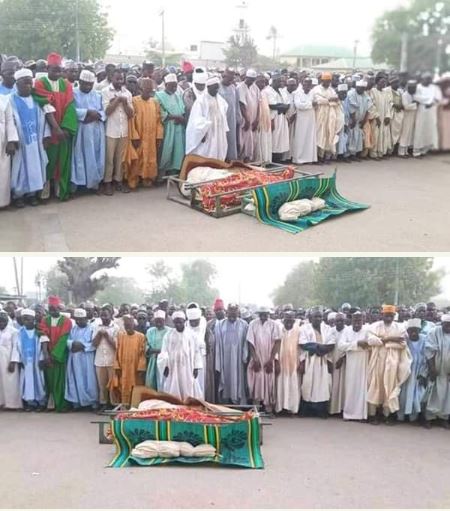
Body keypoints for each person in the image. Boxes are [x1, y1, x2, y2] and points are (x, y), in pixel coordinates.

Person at [34, 52, 78, 201]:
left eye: (60, 70)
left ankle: (60, 190)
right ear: (47, 68)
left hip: (63, 130)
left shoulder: (66, 84)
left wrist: (65, 127)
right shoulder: (40, 83)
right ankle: (44, 190)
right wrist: (55, 128)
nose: (58, 73)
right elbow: (45, 105)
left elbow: (70, 106)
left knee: (62, 160)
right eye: (54, 70)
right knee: (48, 160)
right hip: (48, 128)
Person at [367, 305, 412, 424]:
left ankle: (387, 415)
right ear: (382, 315)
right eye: (386, 316)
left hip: (393, 362)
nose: (388, 318)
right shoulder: (374, 326)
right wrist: (391, 339)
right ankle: (373, 415)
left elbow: (403, 344)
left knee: (390, 386)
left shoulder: (400, 327)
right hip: (378, 361)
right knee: (376, 386)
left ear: (394, 316)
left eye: (391, 316)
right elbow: (371, 341)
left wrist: (384, 341)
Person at [125, 78, 163, 189]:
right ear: (140, 90)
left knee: (150, 158)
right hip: (139, 136)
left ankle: (147, 178)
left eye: (151, 91)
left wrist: (158, 136)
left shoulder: (154, 102)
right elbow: (131, 121)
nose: (149, 93)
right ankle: (133, 180)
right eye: (147, 90)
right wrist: (134, 136)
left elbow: (158, 120)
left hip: (151, 137)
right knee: (137, 158)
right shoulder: (134, 101)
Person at [72, 70, 106, 192]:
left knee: (95, 156)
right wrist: (87, 112)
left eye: (90, 84)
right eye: (85, 84)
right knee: (79, 156)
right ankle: (78, 185)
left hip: (95, 130)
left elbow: (104, 111)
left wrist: (94, 115)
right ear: (80, 82)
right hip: (81, 130)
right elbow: (71, 110)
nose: (88, 87)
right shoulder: (73, 93)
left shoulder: (97, 95)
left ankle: (93, 184)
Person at [157, 310, 203, 400]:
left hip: (188, 366)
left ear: (184, 321)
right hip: (173, 366)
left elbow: (196, 351)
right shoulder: (168, 335)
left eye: (180, 322)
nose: (178, 324)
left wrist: (196, 367)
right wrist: (165, 366)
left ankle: (188, 403)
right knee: (173, 386)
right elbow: (164, 351)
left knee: (188, 385)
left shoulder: (191, 335)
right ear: (173, 322)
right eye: (176, 322)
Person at [102, 69, 134, 195]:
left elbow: (131, 114)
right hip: (110, 130)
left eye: (122, 79)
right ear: (111, 78)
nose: (120, 81)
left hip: (123, 130)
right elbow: (107, 111)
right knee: (109, 158)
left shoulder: (128, 93)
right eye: (117, 79)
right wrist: (117, 100)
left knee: (120, 158)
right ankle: (107, 182)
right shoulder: (105, 91)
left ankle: (118, 180)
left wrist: (124, 102)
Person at [38, 296, 73, 412]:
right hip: (48, 354)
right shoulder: (45, 320)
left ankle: (61, 404)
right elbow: (43, 336)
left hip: (60, 355)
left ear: (59, 308)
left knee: (61, 380)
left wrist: (54, 355)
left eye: (54, 308)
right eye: (50, 309)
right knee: (49, 380)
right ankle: (51, 404)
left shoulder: (66, 321)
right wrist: (46, 354)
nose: (52, 311)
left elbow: (64, 339)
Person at [299, 307, 333, 418]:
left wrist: (321, 350)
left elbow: (331, 344)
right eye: (316, 317)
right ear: (310, 318)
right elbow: (303, 344)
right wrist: (318, 348)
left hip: (323, 360)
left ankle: (321, 411)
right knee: (308, 385)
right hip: (310, 361)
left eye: (320, 317)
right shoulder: (304, 328)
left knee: (322, 386)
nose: (318, 319)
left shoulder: (327, 329)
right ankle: (306, 411)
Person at [247, 306, 281, 413]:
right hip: (257, 356)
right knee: (256, 381)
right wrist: (255, 358)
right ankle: (256, 409)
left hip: (269, 357)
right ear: (258, 314)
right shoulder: (253, 324)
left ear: (268, 314)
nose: (263, 316)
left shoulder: (274, 325)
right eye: (261, 314)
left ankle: (268, 409)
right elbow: (250, 342)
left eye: (265, 314)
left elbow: (277, 342)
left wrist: (271, 359)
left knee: (269, 381)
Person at [186, 76, 229, 160]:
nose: (216, 90)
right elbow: (196, 118)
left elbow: (223, 115)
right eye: (214, 88)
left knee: (219, 151)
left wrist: (224, 130)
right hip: (207, 132)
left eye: (217, 88)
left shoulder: (220, 99)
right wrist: (201, 133)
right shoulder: (201, 101)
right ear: (208, 87)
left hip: (218, 131)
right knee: (207, 152)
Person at [214, 303, 248, 405]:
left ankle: (238, 401)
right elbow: (217, 344)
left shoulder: (244, 325)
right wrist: (218, 361)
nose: (232, 314)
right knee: (225, 379)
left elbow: (246, 343)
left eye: (235, 312)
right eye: (230, 311)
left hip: (238, 359)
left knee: (239, 380)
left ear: (238, 312)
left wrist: (245, 356)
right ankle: (226, 401)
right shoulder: (220, 324)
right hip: (224, 358)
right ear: (227, 312)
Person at [65, 308, 98, 409]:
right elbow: (67, 340)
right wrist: (73, 344)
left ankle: (91, 402)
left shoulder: (92, 328)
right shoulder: (73, 329)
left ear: (86, 319)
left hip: (87, 357)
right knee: (76, 379)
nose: (79, 321)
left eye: (81, 319)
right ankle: (77, 402)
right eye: (77, 319)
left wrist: (83, 346)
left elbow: (94, 343)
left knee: (89, 379)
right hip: (74, 357)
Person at [340, 311, 370, 421]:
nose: (357, 322)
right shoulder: (347, 330)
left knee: (362, 387)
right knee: (350, 387)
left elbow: (370, 343)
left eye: (359, 320)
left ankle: (361, 415)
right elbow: (341, 346)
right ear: (351, 320)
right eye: (355, 320)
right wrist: (357, 343)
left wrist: (362, 344)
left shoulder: (367, 330)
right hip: (351, 362)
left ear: (363, 320)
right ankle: (348, 414)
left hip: (363, 361)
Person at [110, 315, 147, 406]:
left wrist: (141, 368)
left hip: (135, 369)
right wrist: (117, 366)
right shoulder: (121, 336)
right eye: (126, 325)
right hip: (123, 368)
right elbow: (117, 351)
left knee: (136, 386)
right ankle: (124, 406)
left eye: (129, 325)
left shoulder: (141, 336)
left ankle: (135, 406)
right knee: (123, 386)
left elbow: (142, 353)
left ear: (134, 324)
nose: (128, 327)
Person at [155, 73, 186, 177]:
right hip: (167, 127)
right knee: (166, 151)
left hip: (178, 127)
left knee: (178, 151)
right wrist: (175, 117)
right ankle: (161, 175)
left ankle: (173, 174)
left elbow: (182, 109)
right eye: (172, 86)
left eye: (175, 86)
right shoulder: (159, 95)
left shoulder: (177, 96)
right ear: (166, 85)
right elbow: (160, 112)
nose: (174, 88)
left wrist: (181, 118)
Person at [398, 318, 427, 423]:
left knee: (418, 396)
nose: (414, 333)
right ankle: (401, 416)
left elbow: (427, 358)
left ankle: (414, 417)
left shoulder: (424, 339)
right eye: (411, 331)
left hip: (418, 373)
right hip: (406, 372)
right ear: (408, 331)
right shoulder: (405, 340)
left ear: (420, 330)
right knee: (403, 396)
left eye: (416, 330)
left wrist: (423, 374)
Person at [16, 309, 46, 411]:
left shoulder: (39, 332)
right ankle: (30, 403)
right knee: (27, 382)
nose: (26, 321)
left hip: (37, 361)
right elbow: (17, 347)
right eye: (24, 319)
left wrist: (42, 359)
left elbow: (43, 347)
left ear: (33, 319)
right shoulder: (20, 332)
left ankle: (41, 402)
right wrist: (19, 361)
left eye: (28, 319)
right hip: (26, 362)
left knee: (39, 381)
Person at [424, 314, 450, 428]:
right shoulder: (434, 332)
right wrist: (432, 368)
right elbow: (429, 350)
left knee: (447, 395)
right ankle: (429, 418)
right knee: (432, 393)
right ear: (442, 323)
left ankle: (443, 418)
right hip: (436, 370)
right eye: (446, 325)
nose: (448, 327)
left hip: (448, 372)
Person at [92, 305, 119, 410]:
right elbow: (94, 344)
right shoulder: (96, 327)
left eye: (106, 315)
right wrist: (99, 335)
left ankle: (113, 403)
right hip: (99, 360)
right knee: (101, 384)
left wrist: (107, 336)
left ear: (111, 315)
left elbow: (117, 346)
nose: (104, 318)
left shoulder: (115, 327)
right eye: (102, 316)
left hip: (112, 360)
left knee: (113, 384)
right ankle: (103, 403)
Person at [276, 311, 301, 415]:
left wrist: (302, 361)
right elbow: (275, 346)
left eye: (291, 320)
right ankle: (280, 408)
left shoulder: (298, 330)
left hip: (294, 363)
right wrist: (276, 361)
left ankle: (292, 409)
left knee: (293, 385)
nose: (289, 322)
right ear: (283, 320)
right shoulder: (279, 330)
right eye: (287, 320)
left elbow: (301, 348)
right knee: (280, 385)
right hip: (281, 363)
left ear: (294, 320)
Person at [313, 72, 340, 162]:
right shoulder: (316, 89)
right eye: (326, 81)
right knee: (319, 134)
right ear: (322, 80)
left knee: (329, 134)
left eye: (329, 81)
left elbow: (336, 100)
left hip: (330, 115)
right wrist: (329, 100)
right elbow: (317, 100)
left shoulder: (331, 90)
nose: (328, 83)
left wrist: (328, 101)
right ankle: (317, 156)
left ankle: (325, 155)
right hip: (319, 115)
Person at [0, 84, 19, 208]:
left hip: (2, 141)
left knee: (3, 172)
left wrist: (11, 141)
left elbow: (10, 120)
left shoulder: (4, 100)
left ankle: (2, 201)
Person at [413, 72, 441, 157]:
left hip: (431, 111)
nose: (429, 81)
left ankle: (425, 149)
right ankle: (416, 151)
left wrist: (431, 103)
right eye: (427, 79)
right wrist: (428, 100)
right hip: (421, 111)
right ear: (423, 79)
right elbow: (416, 97)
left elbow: (438, 98)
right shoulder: (418, 87)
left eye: (430, 79)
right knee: (420, 129)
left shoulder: (434, 87)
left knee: (429, 129)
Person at [292, 77, 317, 164]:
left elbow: (316, 103)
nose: (308, 85)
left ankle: (309, 159)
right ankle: (298, 159)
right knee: (300, 138)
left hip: (311, 118)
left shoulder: (313, 93)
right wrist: (310, 104)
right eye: (306, 83)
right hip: (301, 119)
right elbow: (299, 105)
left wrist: (309, 105)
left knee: (310, 138)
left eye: (310, 83)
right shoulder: (297, 93)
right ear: (302, 83)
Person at [265, 74, 290, 163]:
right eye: (279, 81)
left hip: (282, 117)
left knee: (281, 139)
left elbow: (288, 104)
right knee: (274, 139)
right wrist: (282, 106)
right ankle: (273, 159)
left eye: (282, 81)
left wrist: (281, 106)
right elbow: (272, 105)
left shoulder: (282, 91)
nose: (281, 83)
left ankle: (279, 159)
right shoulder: (268, 91)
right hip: (274, 118)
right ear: (274, 81)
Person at [237, 69, 260, 162]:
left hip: (253, 119)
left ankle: (250, 159)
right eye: (250, 79)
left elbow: (258, 103)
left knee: (253, 140)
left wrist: (257, 119)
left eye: (253, 80)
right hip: (244, 119)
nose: (251, 81)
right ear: (246, 77)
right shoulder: (240, 87)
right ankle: (242, 160)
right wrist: (247, 120)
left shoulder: (255, 88)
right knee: (243, 140)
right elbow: (241, 104)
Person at [0, 310, 21, 409]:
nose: (1, 323)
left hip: (8, 359)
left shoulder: (14, 331)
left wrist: (13, 361)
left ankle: (12, 404)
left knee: (11, 381)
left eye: (3, 321)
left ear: (7, 321)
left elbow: (16, 347)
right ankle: (1, 402)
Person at [145, 309, 170, 390]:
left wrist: (160, 352)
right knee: (151, 382)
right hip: (153, 360)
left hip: (166, 361)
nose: (158, 323)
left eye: (160, 320)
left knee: (164, 382)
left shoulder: (170, 331)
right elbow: (146, 346)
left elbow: (171, 348)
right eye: (156, 321)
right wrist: (153, 351)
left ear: (164, 320)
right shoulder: (150, 331)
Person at [219, 68, 241, 160]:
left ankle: (230, 160)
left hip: (231, 120)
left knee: (231, 141)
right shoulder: (217, 87)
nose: (231, 82)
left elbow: (236, 104)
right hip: (220, 121)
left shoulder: (233, 88)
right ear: (224, 76)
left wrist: (238, 118)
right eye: (229, 79)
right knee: (220, 141)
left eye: (232, 79)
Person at [328, 312, 346, 415]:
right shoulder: (331, 331)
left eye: (341, 321)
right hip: (333, 361)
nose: (339, 323)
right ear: (334, 321)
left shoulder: (348, 330)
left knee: (344, 385)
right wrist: (329, 361)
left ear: (344, 321)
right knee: (333, 385)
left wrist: (342, 358)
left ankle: (342, 409)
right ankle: (332, 409)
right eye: (337, 321)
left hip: (345, 362)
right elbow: (327, 346)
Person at [347, 80, 370, 160]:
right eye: (360, 88)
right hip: (352, 120)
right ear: (356, 87)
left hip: (360, 121)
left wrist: (364, 120)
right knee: (351, 137)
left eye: (363, 88)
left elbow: (368, 108)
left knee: (358, 137)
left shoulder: (365, 94)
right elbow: (352, 107)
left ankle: (355, 154)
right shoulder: (351, 93)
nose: (362, 90)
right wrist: (353, 120)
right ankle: (348, 155)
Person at [254, 74, 272, 163]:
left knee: (265, 140)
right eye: (260, 82)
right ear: (255, 82)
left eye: (264, 82)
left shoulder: (265, 93)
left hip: (265, 121)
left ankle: (266, 160)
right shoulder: (254, 92)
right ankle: (259, 161)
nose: (262, 84)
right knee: (258, 142)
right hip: (257, 121)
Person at [399, 80, 418, 157]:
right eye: (412, 88)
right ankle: (401, 152)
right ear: (409, 88)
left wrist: (414, 103)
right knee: (405, 134)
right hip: (406, 117)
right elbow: (406, 106)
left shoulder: (413, 95)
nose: (414, 89)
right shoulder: (405, 95)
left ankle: (406, 151)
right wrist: (415, 104)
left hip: (413, 116)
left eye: (415, 88)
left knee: (410, 134)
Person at [385, 76, 404, 153]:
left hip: (399, 114)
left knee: (398, 132)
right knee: (390, 132)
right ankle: (389, 150)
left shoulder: (400, 91)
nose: (397, 84)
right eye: (395, 83)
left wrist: (402, 105)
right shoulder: (386, 90)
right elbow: (386, 101)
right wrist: (394, 105)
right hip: (391, 113)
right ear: (391, 83)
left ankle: (395, 149)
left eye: (397, 82)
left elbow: (402, 100)